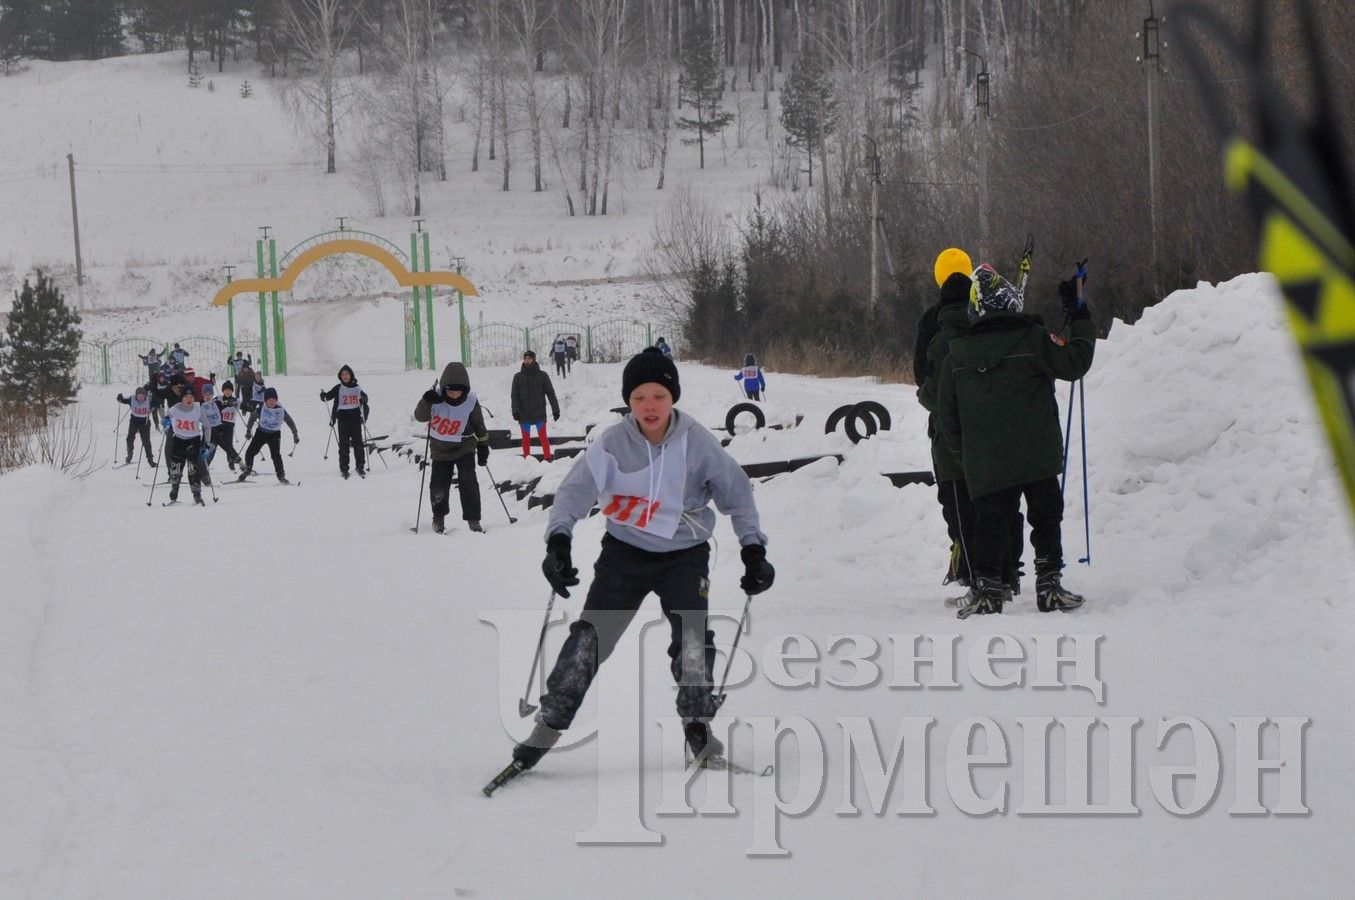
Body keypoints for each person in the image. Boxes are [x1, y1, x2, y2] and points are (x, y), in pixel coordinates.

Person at [504, 347, 776, 775]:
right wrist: (558, 542)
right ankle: (548, 726)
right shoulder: (612, 442)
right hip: (625, 555)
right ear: (629, 402)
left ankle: (697, 725)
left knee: (691, 642)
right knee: (589, 640)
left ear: (673, 399)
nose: (650, 406)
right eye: (639, 398)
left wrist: (753, 549)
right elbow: (574, 493)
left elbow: (737, 494)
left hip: (684, 556)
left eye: (659, 396)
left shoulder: (697, 442)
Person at [937, 263, 1096, 617]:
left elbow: (946, 415)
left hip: (986, 460)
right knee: (1046, 516)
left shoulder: (955, 354)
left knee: (990, 522)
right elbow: (1075, 362)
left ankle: (989, 590)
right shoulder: (1033, 338)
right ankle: (1049, 585)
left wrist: (967, 456)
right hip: (1036, 453)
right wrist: (1080, 314)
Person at [414, 361, 490, 533]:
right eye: (450, 391)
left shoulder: (471, 400)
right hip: (440, 448)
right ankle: (438, 519)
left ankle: (473, 520)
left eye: (458, 392)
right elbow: (419, 416)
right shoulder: (436, 397)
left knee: (468, 481)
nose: (454, 395)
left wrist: (483, 446)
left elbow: (479, 425)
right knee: (438, 484)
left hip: (465, 446)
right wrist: (426, 401)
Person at [161, 383, 212, 505]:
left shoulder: (198, 409)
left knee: (193, 469)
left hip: (193, 441)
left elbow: (207, 427)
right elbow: (166, 419)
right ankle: (173, 494)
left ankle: (197, 495)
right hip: (178, 440)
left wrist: (206, 444)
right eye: (186, 397)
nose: (189, 399)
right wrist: (165, 421)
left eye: (191, 397)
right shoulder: (174, 409)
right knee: (176, 468)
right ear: (182, 398)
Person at [240, 387, 299, 483]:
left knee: (276, 456)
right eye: (269, 400)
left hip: (274, 435)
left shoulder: (281, 410)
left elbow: (290, 422)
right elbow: (252, 418)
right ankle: (248, 469)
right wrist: (248, 431)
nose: (272, 402)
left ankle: (281, 475)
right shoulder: (261, 409)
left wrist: (295, 434)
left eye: (274, 400)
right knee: (250, 452)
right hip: (261, 433)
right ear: (265, 400)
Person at [320, 364, 370, 479]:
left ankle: (360, 466)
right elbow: (328, 397)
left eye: (347, 374)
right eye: (343, 374)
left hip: (355, 418)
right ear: (340, 376)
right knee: (343, 445)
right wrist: (323, 396)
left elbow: (365, 398)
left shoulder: (357, 388)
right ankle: (344, 468)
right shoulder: (338, 387)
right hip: (343, 419)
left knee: (358, 444)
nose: (345, 376)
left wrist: (363, 400)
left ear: (351, 375)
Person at [510, 350, 559, 461]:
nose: (527, 361)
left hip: (539, 412)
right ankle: (527, 460)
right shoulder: (518, 377)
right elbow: (514, 395)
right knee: (526, 438)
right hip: (524, 413)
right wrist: (515, 410)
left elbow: (550, 393)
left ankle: (547, 459)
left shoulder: (543, 375)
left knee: (543, 437)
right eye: (525, 358)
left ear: (534, 359)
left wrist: (555, 410)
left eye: (529, 358)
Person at [116, 384, 157, 466]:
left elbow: (157, 402)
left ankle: (150, 460)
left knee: (146, 442)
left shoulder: (149, 399)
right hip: (134, 421)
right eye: (139, 396)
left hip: (144, 422)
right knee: (130, 439)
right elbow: (122, 400)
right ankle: (129, 456)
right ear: (136, 395)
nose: (141, 398)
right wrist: (119, 398)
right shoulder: (132, 399)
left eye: (143, 396)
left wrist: (156, 402)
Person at [211, 380, 244, 471]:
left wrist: (251, 409)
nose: (227, 392)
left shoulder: (236, 400)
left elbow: (244, 406)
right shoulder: (219, 398)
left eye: (229, 390)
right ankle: (206, 463)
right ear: (223, 391)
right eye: (226, 390)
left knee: (229, 444)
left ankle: (231, 463)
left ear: (232, 391)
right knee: (216, 445)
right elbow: (212, 404)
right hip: (220, 425)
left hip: (230, 425)